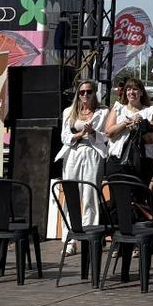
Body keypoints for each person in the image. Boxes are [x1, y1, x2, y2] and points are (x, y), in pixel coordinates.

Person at [55, 79, 109, 229]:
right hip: (73, 152)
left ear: (94, 93)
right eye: (82, 92)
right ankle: (70, 237)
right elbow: (64, 137)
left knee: (90, 194)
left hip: (93, 152)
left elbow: (106, 136)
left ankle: (89, 233)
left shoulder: (103, 111)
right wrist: (81, 133)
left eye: (89, 92)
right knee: (71, 195)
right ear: (78, 94)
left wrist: (92, 133)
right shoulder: (69, 112)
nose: (85, 95)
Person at [104, 79, 153, 185]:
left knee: (139, 198)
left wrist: (139, 127)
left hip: (142, 162)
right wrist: (125, 123)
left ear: (141, 92)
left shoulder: (149, 111)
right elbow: (109, 133)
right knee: (119, 199)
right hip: (117, 161)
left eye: (135, 89)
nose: (131, 92)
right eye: (128, 89)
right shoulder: (118, 109)